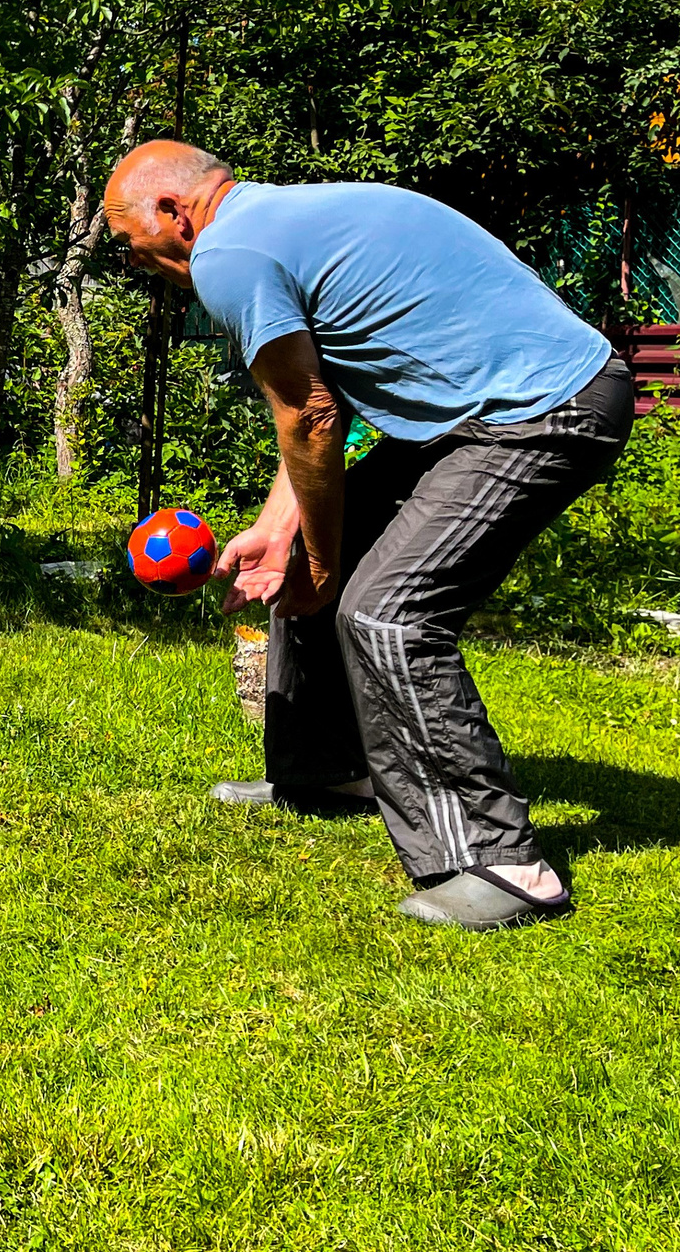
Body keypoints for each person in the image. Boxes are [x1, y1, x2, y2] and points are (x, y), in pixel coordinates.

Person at [102, 141, 633, 931]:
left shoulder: (230, 254)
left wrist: (319, 557)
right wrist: (283, 533)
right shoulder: (284, 223)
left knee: (389, 611)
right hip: (482, 416)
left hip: (542, 412)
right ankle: (325, 773)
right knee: (317, 567)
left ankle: (504, 865)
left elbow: (307, 416)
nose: (136, 263)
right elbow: (324, 404)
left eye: (129, 242)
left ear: (175, 213)